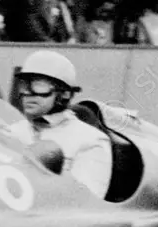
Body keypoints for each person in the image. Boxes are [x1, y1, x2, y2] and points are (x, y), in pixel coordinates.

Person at [14, 50, 112, 199]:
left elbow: (84, 203)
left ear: (65, 93)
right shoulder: (10, 131)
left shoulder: (91, 141)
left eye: (39, 85)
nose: (29, 93)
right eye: (24, 86)